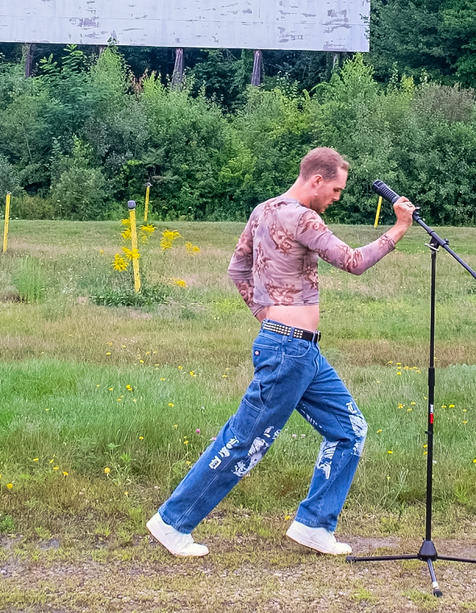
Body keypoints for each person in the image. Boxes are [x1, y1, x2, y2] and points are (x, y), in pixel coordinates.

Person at [146, 146, 415, 558]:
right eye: (336, 190)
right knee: (245, 441)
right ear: (317, 179)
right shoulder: (303, 216)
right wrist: (398, 228)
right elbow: (353, 261)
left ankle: (314, 525)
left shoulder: (263, 210)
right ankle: (172, 521)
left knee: (349, 430)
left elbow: (237, 269)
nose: (336, 198)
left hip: (300, 351)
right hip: (287, 349)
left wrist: (264, 314)